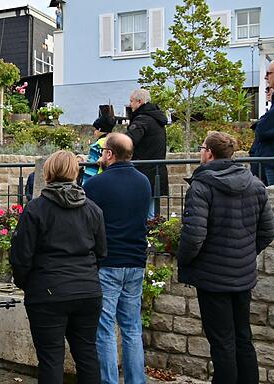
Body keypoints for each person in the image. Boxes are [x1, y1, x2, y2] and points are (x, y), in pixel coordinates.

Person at [178, 131, 274, 384]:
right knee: (243, 337)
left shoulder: (202, 186)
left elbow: (194, 236)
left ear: (209, 153)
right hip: (242, 275)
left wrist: (186, 261)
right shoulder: (255, 184)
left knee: (222, 342)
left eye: (202, 148)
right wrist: (244, 255)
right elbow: (267, 232)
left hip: (213, 277)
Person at [10, 150, 107, 384]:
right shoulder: (92, 209)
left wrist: (28, 284)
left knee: (51, 359)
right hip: (86, 289)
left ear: (48, 173)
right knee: (87, 354)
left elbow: (21, 256)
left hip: (48, 291)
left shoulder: (36, 209)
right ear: (75, 172)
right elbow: (102, 252)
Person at [83, 133, 152, 384]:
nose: (100, 156)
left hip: (108, 261)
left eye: (103, 152)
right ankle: (136, 380)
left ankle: (109, 381)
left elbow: (86, 223)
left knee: (104, 328)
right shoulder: (144, 182)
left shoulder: (95, 185)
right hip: (135, 261)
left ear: (110, 154)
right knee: (132, 326)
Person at [124, 89, 168, 217]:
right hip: (156, 170)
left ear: (140, 101)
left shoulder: (142, 119)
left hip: (144, 170)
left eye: (131, 101)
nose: (130, 105)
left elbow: (128, 140)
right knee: (152, 212)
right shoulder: (156, 119)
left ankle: (147, 235)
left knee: (145, 213)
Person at [82, 105, 116, 184]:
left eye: (95, 129)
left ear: (100, 129)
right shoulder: (115, 142)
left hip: (98, 180)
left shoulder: (98, 145)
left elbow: (91, 169)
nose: (94, 132)